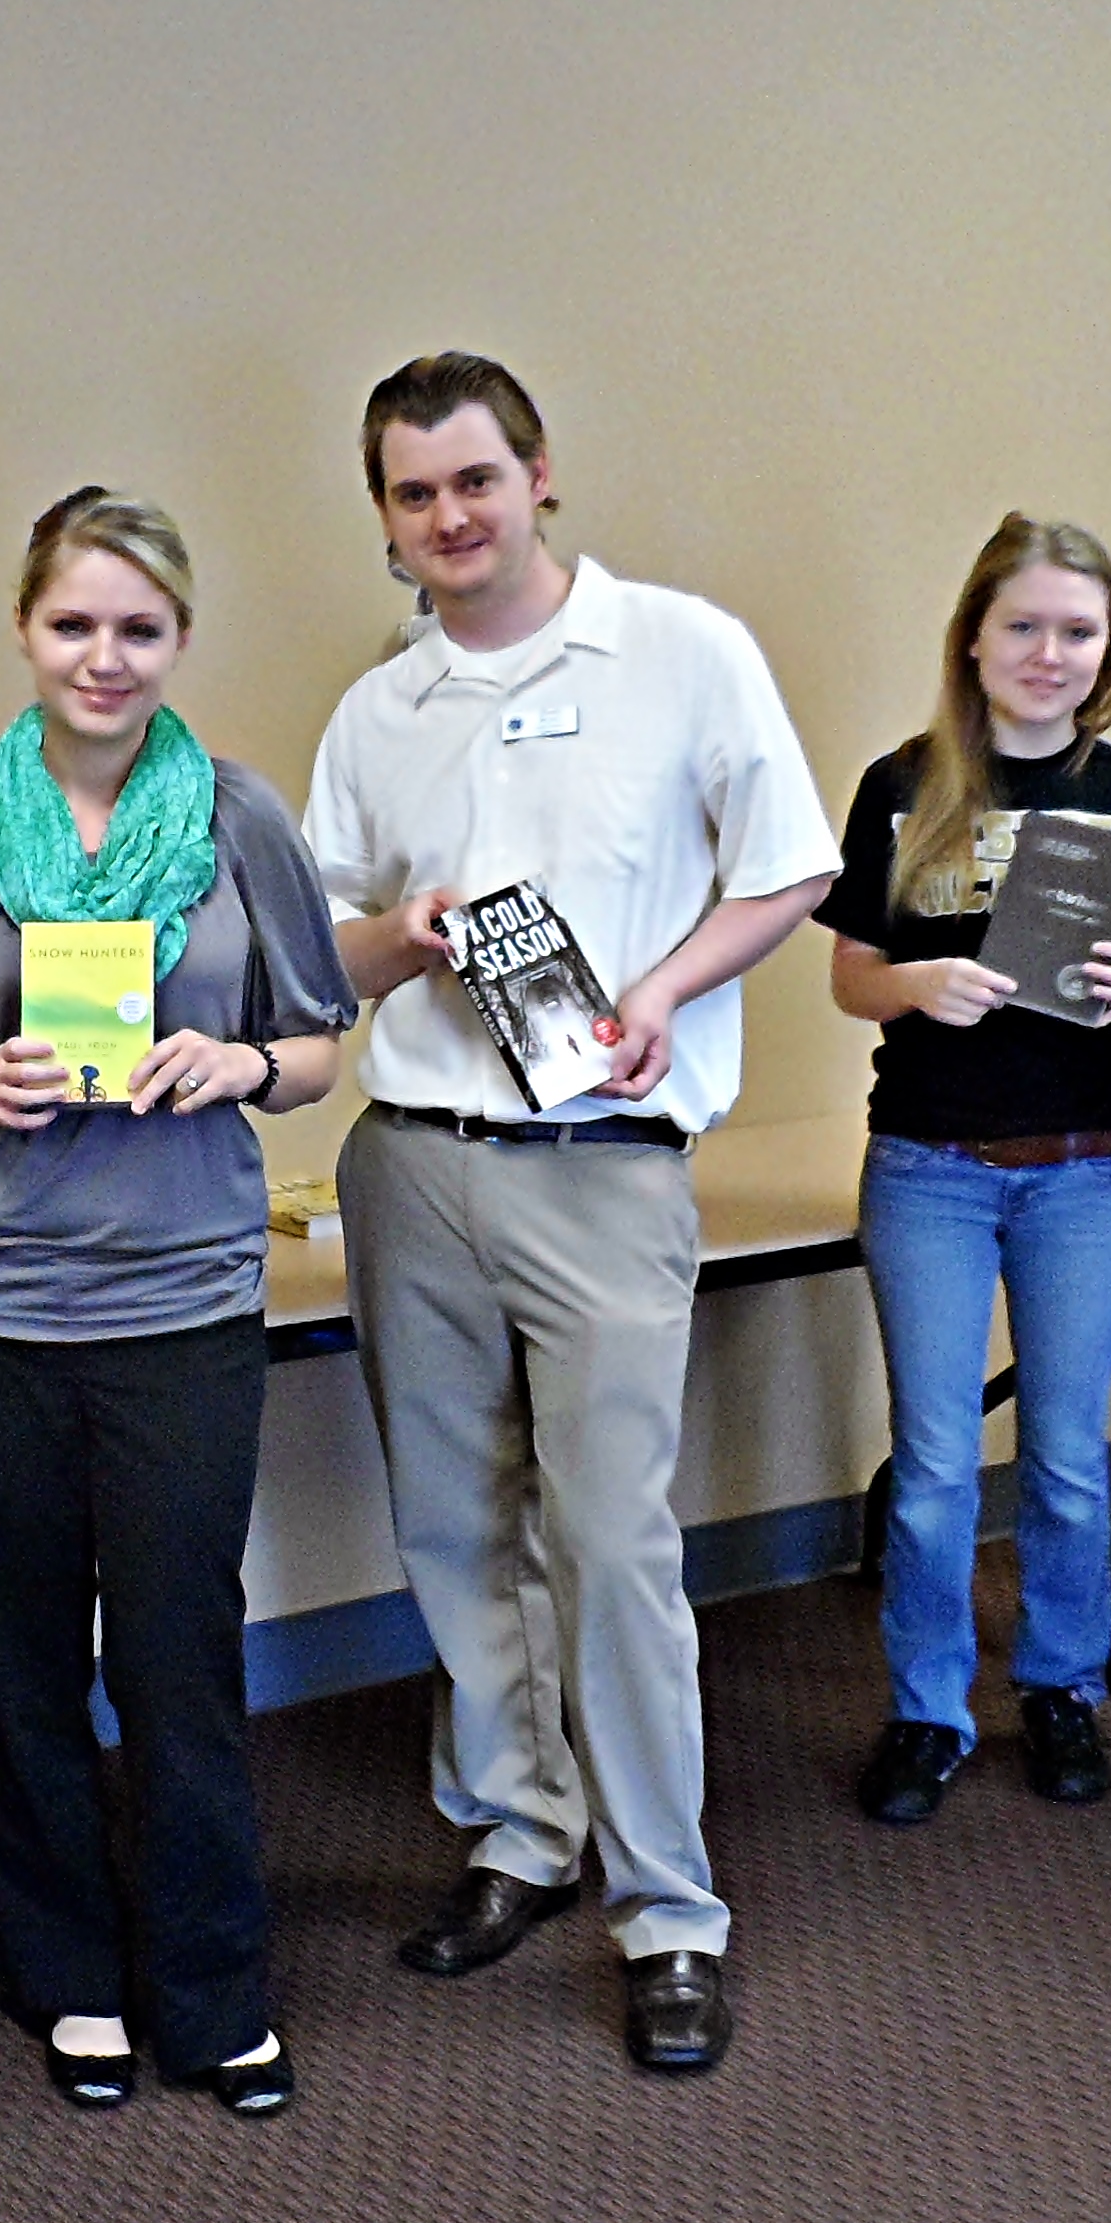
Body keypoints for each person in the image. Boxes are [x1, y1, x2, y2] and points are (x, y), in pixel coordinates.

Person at [305, 353, 842, 2073]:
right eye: (414, 493)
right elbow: (321, 951)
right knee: (456, 1530)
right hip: (415, 1160)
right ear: (386, 518)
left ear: (537, 476)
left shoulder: (680, 650)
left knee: (614, 1543)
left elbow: (793, 862)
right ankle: (519, 1831)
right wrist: (402, 938)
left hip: (603, 1165)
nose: (450, 516)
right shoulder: (379, 712)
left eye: (476, 479)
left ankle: (669, 1907)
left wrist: (667, 988)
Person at [0, 489, 355, 2115]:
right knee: (21, 1658)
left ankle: (213, 1989)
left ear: (180, 640)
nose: (104, 657)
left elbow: (318, 1043)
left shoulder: (240, 819)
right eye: (74, 623)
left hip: (184, 1302)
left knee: (178, 1659)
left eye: (139, 628)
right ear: (24, 629)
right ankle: (64, 1973)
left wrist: (240, 1063)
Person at [824, 515, 1111, 1826]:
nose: (1049, 653)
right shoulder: (903, 784)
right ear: (973, 639)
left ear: (1109, 650)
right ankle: (928, 1709)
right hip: (928, 1164)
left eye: (1077, 631)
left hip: (1083, 1166)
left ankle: (1061, 1686)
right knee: (932, 1462)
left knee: (1069, 1458)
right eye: (1023, 625)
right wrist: (919, 981)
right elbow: (851, 975)